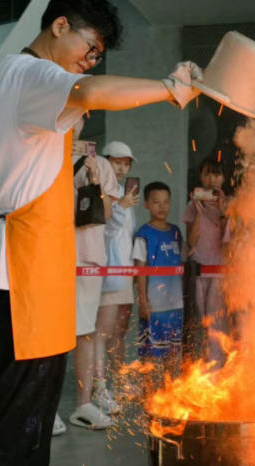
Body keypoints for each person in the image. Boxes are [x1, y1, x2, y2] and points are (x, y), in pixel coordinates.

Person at [0, 1, 201, 463]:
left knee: (28, 408)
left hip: (27, 262)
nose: (88, 62)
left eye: (96, 55)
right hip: (21, 264)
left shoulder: (14, 76)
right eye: (89, 48)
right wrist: (169, 89)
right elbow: (92, 91)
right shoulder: (32, 74)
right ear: (59, 25)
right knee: (22, 415)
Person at [69, 119, 122, 430]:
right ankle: (40, 408)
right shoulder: (42, 155)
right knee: (47, 334)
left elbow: (107, 213)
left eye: (78, 114)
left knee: (85, 331)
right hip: (47, 257)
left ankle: (83, 403)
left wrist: (91, 178)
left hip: (87, 257)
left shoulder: (99, 162)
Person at [94, 140, 139, 417]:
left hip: (126, 271)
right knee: (102, 331)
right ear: (105, 161)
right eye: (117, 162)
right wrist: (120, 205)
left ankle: (118, 381)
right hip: (107, 271)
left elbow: (126, 234)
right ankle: (99, 388)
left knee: (119, 332)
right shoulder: (102, 190)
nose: (121, 168)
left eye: (126, 164)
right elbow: (106, 229)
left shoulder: (125, 193)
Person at [133, 182, 184, 387]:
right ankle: (148, 390)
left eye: (165, 202)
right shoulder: (144, 234)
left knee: (173, 350)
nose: (161, 207)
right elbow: (140, 269)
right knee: (150, 351)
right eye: (156, 202)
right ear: (146, 204)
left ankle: (169, 390)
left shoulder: (176, 232)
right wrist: (143, 301)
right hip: (154, 305)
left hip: (176, 304)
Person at [182, 157, 229, 364]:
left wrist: (222, 211)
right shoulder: (192, 205)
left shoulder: (229, 205)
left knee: (217, 321)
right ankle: (199, 367)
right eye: (207, 174)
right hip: (198, 270)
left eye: (217, 174)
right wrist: (200, 213)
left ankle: (218, 367)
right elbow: (190, 243)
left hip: (220, 270)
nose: (212, 179)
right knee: (198, 321)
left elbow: (229, 242)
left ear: (224, 178)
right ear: (200, 176)